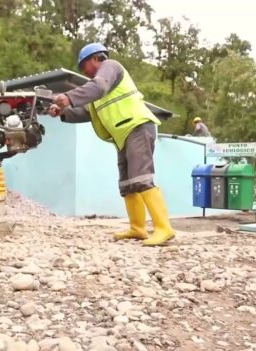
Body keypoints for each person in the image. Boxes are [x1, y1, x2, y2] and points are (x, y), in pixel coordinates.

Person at [49, 43, 175, 246]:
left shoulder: (110, 67)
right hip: (122, 135)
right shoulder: (98, 88)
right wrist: (63, 111)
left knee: (141, 178)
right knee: (127, 184)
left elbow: (98, 86)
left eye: (84, 66)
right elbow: (87, 113)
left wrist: (69, 97)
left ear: (94, 59)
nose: (84, 72)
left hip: (138, 127)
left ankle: (163, 227)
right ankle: (138, 228)